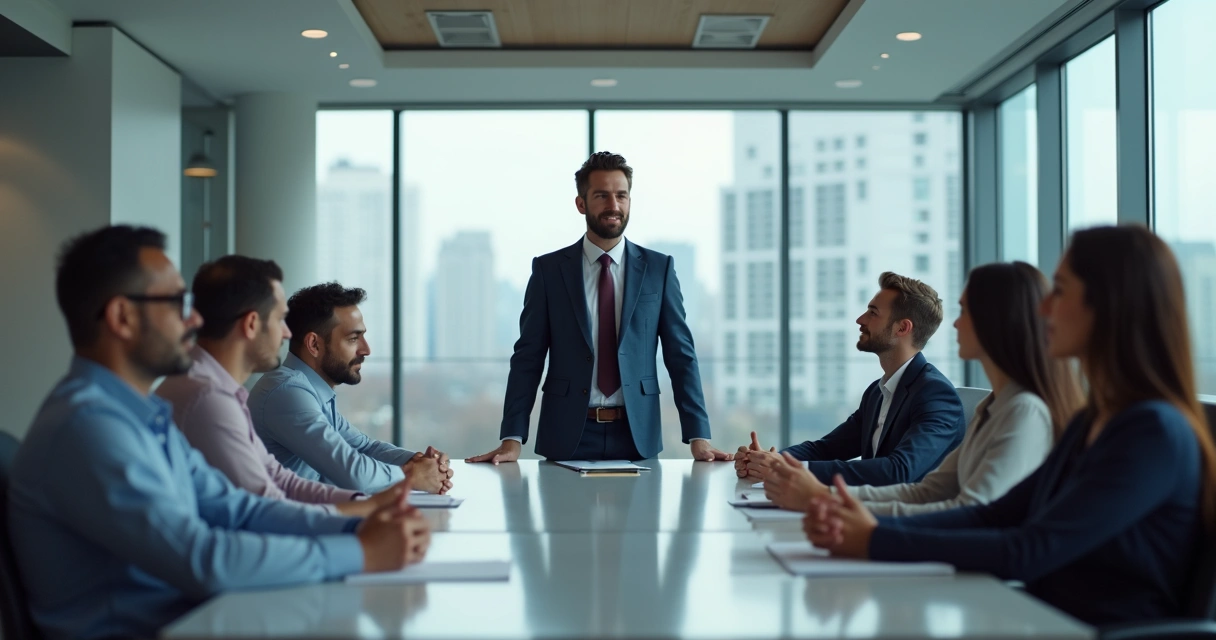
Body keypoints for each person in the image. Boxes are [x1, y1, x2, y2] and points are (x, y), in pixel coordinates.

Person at [8, 226, 431, 640]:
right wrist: (361, 550)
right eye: (176, 302)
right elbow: (203, 557)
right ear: (121, 317)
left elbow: (239, 509)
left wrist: (360, 528)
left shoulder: (142, 413)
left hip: (196, 616)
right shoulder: (89, 428)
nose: (193, 318)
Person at [804, 225, 1216, 626]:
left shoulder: (1151, 432)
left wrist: (875, 538)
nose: (1043, 309)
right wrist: (865, 523)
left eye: (1060, 290)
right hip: (1040, 617)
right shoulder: (1092, 422)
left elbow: (1030, 548)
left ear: (1110, 304)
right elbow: (995, 515)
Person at [466, 151, 732, 463]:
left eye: (621, 195)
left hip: (637, 434)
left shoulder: (658, 269)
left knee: (641, 514)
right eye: (602, 196)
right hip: (567, 433)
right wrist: (512, 439)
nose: (613, 206)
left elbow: (681, 355)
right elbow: (527, 358)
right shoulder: (549, 271)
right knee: (563, 514)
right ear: (581, 204)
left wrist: (699, 437)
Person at [763, 262, 1083, 515]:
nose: (956, 324)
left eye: (966, 312)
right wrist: (783, 465)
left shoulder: (1012, 409)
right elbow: (928, 492)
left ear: (998, 322)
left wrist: (827, 500)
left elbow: (956, 503)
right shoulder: (990, 408)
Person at [157, 256, 408, 516]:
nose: (287, 334)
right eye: (279, 320)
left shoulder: (220, 390)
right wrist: (363, 521)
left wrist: (369, 506)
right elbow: (261, 507)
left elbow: (279, 481)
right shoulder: (209, 397)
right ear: (252, 324)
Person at [738, 272, 965, 487]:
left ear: (902, 328)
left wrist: (786, 469)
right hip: (869, 510)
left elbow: (899, 471)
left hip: (912, 521)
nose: (860, 319)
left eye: (873, 313)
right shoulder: (877, 393)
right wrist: (766, 460)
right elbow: (825, 449)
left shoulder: (935, 394)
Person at [249, 283, 452, 494]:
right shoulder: (287, 393)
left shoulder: (311, 391)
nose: (366, 349)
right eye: (353, 339)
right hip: (286, 524)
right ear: (314, 345)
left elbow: (363, 447)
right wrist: (412, 475)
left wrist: (422, 462)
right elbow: (353, 474)